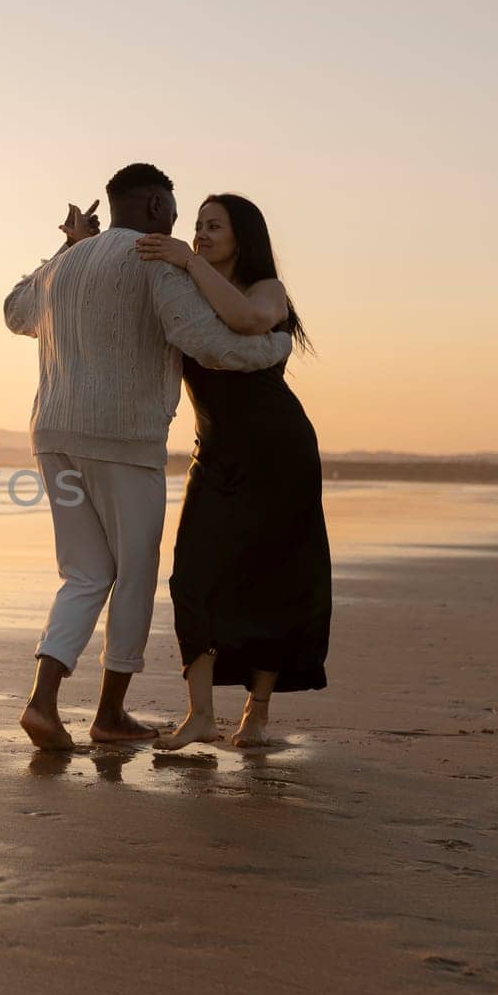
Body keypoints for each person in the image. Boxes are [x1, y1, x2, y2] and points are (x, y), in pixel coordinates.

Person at [3, 164, 293, 750]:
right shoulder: (156, 259)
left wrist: (66, 246)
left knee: (83, 574)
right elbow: (209, 346)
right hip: (123, 443)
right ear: (158, 206)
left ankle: (43, 703)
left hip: (52, 436)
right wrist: (277, 344)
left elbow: (15, 312)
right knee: (132, 574)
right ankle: (109, 715)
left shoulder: (65, 263)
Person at [136, 194, 331, 749]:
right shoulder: (184, 291)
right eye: (196, 227)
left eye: (213, 226)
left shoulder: (264, 289)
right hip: (216, 455)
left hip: (279, 453)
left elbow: (247, 320)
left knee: (274, 579)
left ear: (242, 236)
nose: (200, 234)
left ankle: (257, 715)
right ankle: (200, 715)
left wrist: (187, 260)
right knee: (192, 576)